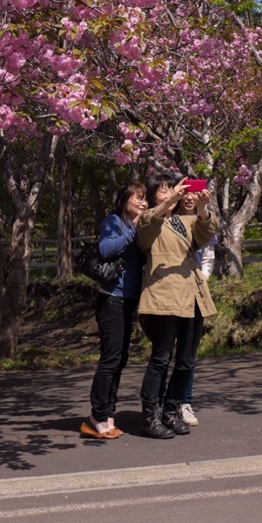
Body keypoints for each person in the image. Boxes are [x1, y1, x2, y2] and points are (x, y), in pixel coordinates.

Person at [136, 173, 218, 439]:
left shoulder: (185, 220)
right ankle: (150, 416)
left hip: (192, 295)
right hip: (164, 296)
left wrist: (204, 208)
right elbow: (145, 232)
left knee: (186, 360)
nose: (170, 194)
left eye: (172, 190)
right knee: (161, 358)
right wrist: (168, 202)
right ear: (152, 197)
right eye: (162, 191)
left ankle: (171, 410)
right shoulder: (149, 220)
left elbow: (206, 233)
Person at [80, 181, 147, 440]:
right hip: (111, 299)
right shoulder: (113, 221)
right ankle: (95, 417)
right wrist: (133, 230)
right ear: (124, 201)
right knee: (110, 360)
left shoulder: (138, 227)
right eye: (138, 198)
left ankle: (108, 415)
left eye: (145, 200)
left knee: (120, 359)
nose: (143, 203)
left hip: (129, 299)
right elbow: (106, 248)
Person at [176, 189, 218, 427]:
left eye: (195, 193)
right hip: (170, 294)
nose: (190, 198)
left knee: (188, 354)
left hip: (196, 293)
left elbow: (209, 257)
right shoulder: (167, 220)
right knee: (162, 355)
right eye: (186, 193)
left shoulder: (205, 220)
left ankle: (184, 402)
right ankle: (163, 402)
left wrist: (202, 278)